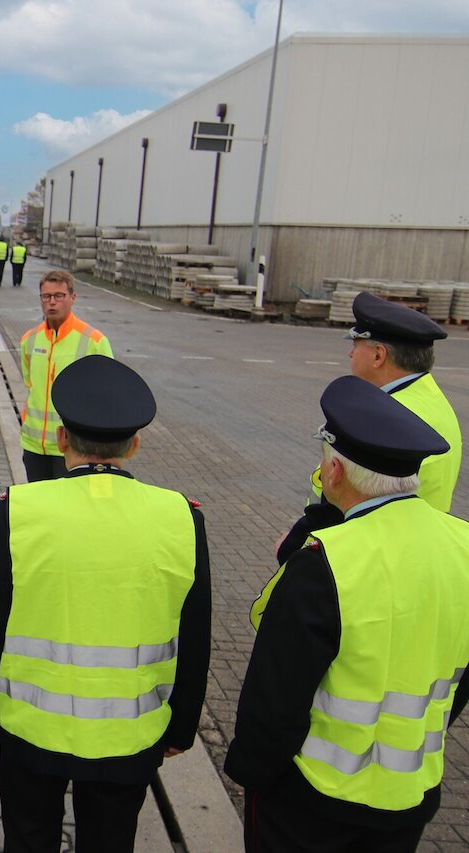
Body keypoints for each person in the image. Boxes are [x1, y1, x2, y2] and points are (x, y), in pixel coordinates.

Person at [0, 356, 211, 852]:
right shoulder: (181, 517)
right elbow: (196, 632)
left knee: (29, 842)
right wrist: (181, 726)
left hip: (31, 731)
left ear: (60, 441)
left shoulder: (21, 510)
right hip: (130, 738)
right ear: (135, 445)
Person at [227, 375, 469, 853]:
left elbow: (274, 703)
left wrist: (252, 775)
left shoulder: (323, 563)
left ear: (334, 472)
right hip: (409, 795)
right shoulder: (463, 545)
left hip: (312, 800)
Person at [307, 291, 460, 512]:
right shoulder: (430, 399)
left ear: (378, 355)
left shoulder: (385, 418)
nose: (351, 354)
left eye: (356, 344)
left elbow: (347, 493)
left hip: (366, 542)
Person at [19, 270, 113, 482]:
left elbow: (107, 397)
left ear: (72, 298)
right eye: (46, 296)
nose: (52, 302)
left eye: (59, 296)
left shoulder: (94, 342)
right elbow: (29, 383)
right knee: (40, 508)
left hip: (73, 449)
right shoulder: (29, 340)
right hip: (34, 446)